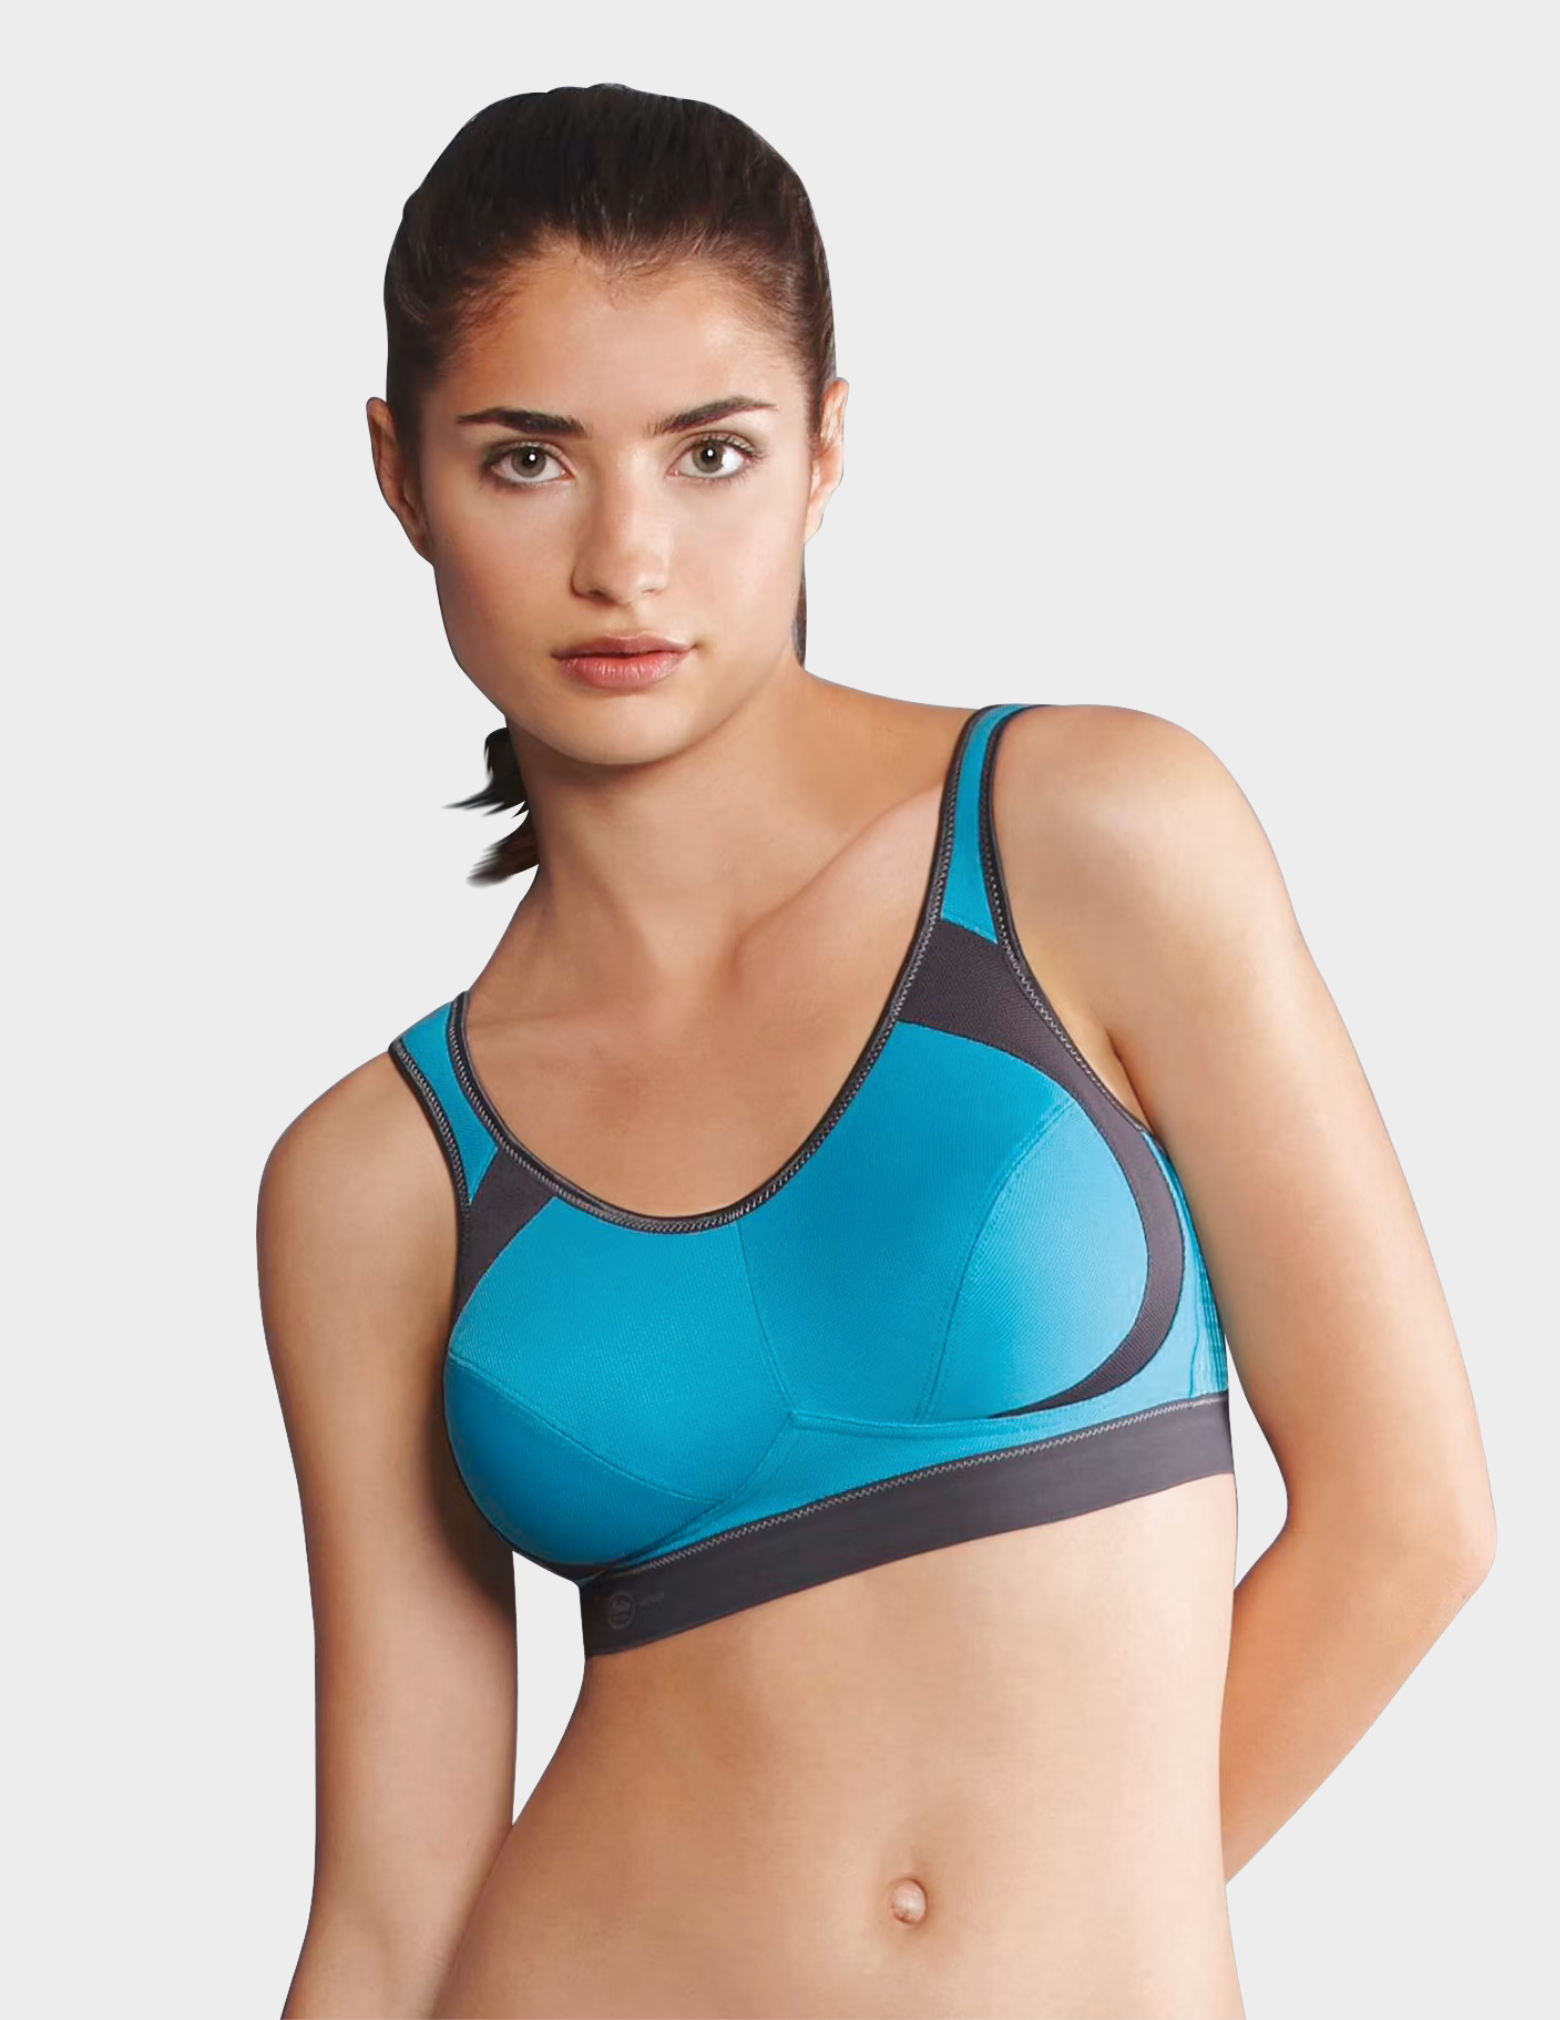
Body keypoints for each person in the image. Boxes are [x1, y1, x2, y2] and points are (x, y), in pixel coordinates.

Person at [259, 82, 1496, 2020]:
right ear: (398, 474)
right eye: (526, 460)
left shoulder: (1089, 840)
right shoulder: (378, 1175)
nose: (627, 558)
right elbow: (391, 1918)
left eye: (712, 452)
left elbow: (1411, 1521)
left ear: (827, 449)